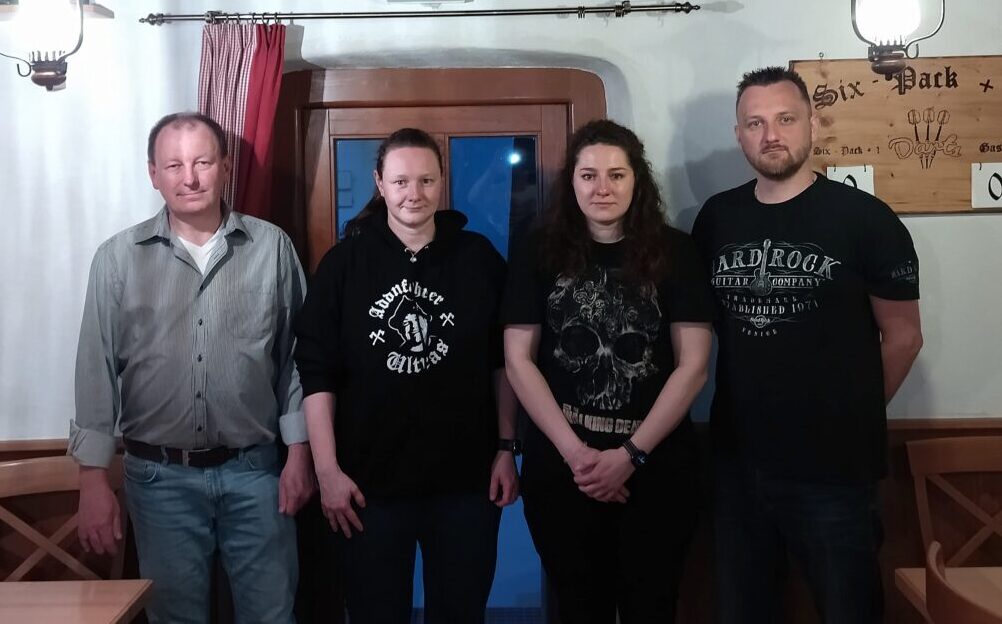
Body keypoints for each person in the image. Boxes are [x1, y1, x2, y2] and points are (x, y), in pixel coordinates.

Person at [690, 67, 924, 624]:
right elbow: (705, 328)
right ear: (739, 135)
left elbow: (904, 336)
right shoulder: (717, 218)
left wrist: (852, 413)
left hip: (835, 472)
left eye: (785, 119)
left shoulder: (865, 219)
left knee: (849, 611)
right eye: (755, 123)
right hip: (738, 462)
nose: (771, 134)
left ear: (813, 125)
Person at [70, 112, 315, 624]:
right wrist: (92, 480)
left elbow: (296, 357)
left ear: (225, 166)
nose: (190, 178)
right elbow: (96, 367)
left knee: (272, 615)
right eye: (174, 165)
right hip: (158, 479)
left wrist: (299, 453)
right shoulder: (117, 259)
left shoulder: (271, 248)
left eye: (202, 162)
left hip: (256, 473)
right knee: (173, 618)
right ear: (153, 174)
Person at [294, 128, 519, 624]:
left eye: (425, 180)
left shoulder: (478, 259)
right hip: (366, 487)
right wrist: (326, 471)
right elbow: (316, 374)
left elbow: (503, 363)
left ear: (442, 182)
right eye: (400, 181)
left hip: (466, 484)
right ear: (380, 183)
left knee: (461, 615)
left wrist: (506, 448)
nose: (413, 193)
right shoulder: (343, 265)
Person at [502, 119, 715, 624]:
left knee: (652, 608)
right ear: (571, 182)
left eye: (616, 175)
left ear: (637, 180)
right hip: (562, 471)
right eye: (589, 175)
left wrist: (630, 456)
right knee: (578, 608)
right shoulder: (537, 251)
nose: (602, 188)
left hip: (658, 469)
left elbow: (693, 366)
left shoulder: (677, 252)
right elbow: (518, 360)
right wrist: (578, 456)